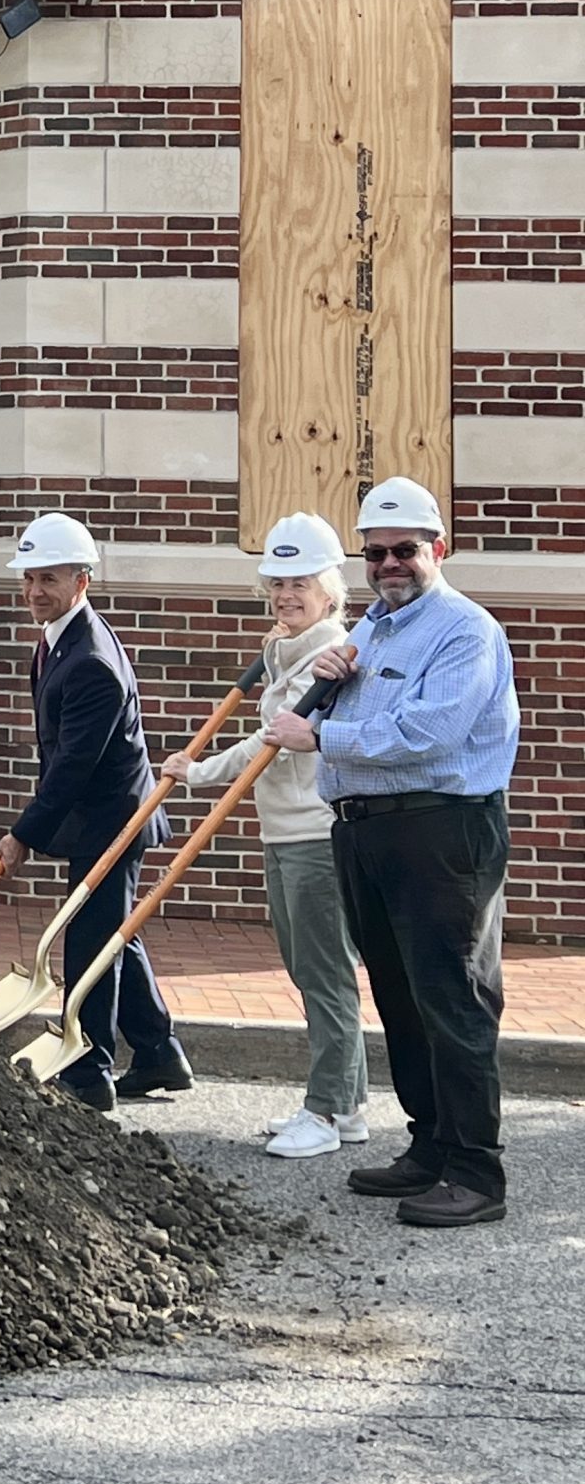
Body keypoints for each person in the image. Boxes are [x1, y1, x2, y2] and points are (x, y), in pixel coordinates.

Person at [265, 475, 519, 1228]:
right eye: (374, 553)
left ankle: (477, 1171)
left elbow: (431, 734)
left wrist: (325, 734)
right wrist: (330, 685)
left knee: (453, 996)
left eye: (404, 550)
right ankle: (430, 1143)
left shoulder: (466, 631)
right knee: (402, 997)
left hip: (441, 829)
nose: (388, 564)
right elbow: (364, 712)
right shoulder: (372, 631)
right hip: (367, 830)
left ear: (438, 548)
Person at [165, 512, 367, 1158]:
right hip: (283, 832)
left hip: (315, 834)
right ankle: (349, 1105)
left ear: (329, 591)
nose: (285, 596)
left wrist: (197, 773)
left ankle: (327, 1112)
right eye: (277, 584)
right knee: (311, 970)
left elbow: (271, 742)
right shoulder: (287, 650)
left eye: (300, 584)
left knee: (323, 973)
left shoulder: (330, 656)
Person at [0, 510, 191, 1114]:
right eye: (28, 578)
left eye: (48, 579)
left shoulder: (91, 663)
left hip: (114, 820)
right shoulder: (61, 638)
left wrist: (23, 834)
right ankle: (159, 1054)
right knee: (113, 938)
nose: (34, 591)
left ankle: (89, 1069)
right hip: (95, 815)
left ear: (82, 581)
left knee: (90, 939)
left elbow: (73, 765)